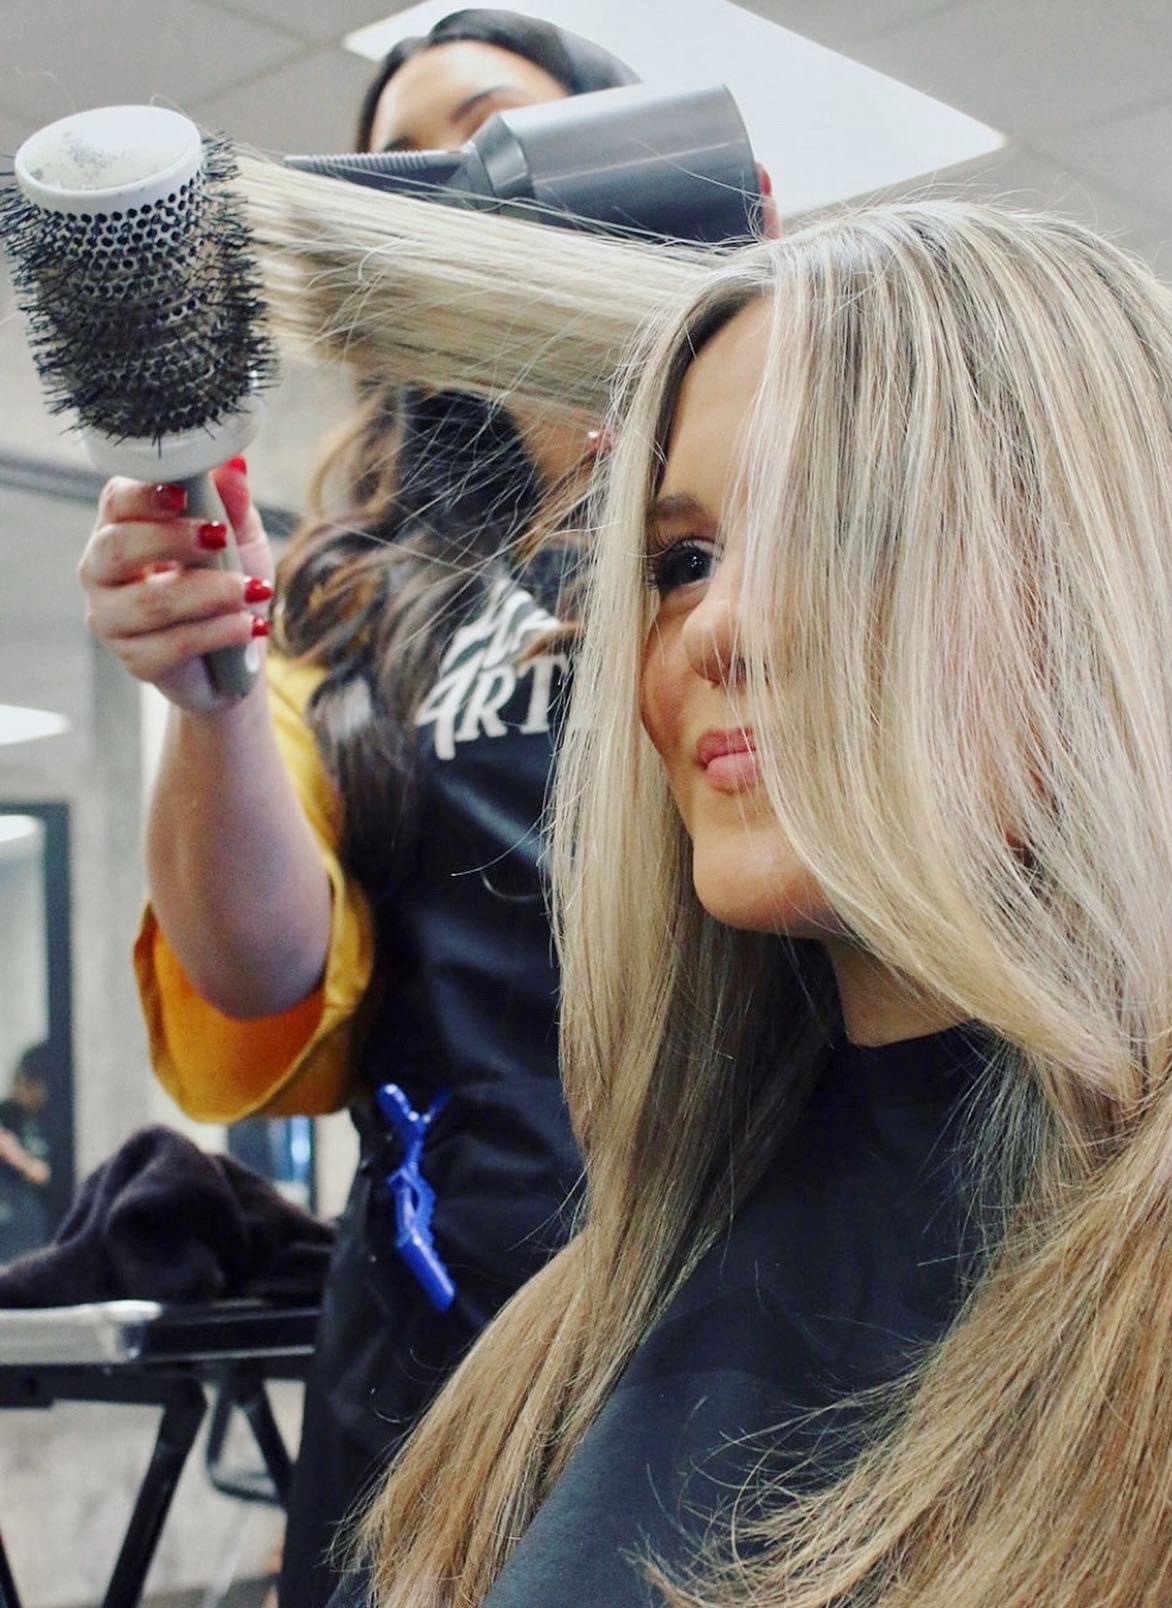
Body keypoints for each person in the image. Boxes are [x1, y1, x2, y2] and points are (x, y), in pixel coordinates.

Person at [342, 204, 1172, 1607]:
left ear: (1119, 593)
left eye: (846, 527)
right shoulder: (591, 1314)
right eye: (684, 561)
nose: (717, 627)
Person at [77, 13, 644, 1604]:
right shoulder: (348, 600)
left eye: (492, 127)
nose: (445, 185)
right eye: (395, 165)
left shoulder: (767, 504)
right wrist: (207, 691)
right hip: (436, 1318)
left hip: (739, 1285)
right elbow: (260, 968)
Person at [0, 1046, 52, 1262]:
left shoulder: (58, 1121)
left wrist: (17, 1158)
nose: (19, 1090)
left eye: (27, 1083)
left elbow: (53, 1177)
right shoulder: (9, 1114)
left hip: (38, 1236)